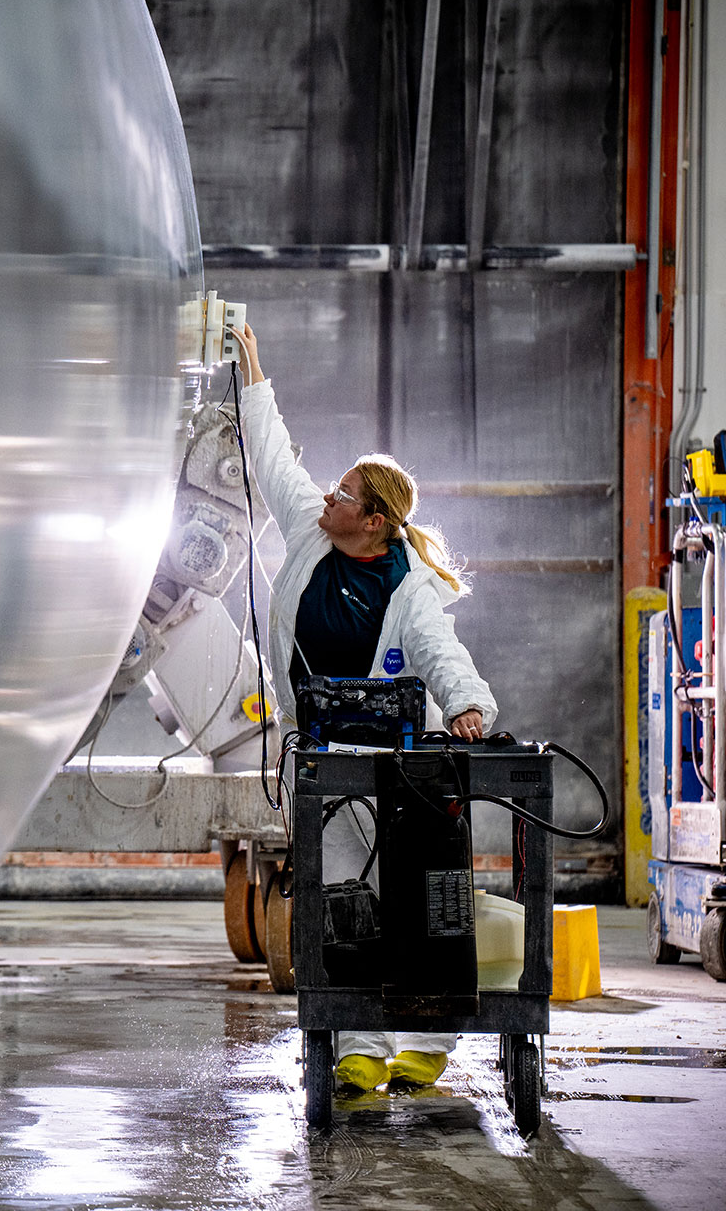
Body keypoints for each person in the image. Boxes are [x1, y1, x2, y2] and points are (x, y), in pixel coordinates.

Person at [233, 322, 498, 1094]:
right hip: (319, 754)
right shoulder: (312, 537)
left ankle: (427, 1041)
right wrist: (253, 375)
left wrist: (469, 705)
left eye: (345, 493)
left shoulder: (406, 587)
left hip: (400, 761)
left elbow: (442, 652)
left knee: (415, 891)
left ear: (374, 521)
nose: (329, 495)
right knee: (341, 893)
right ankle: (359, 1045)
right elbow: (273, 456)